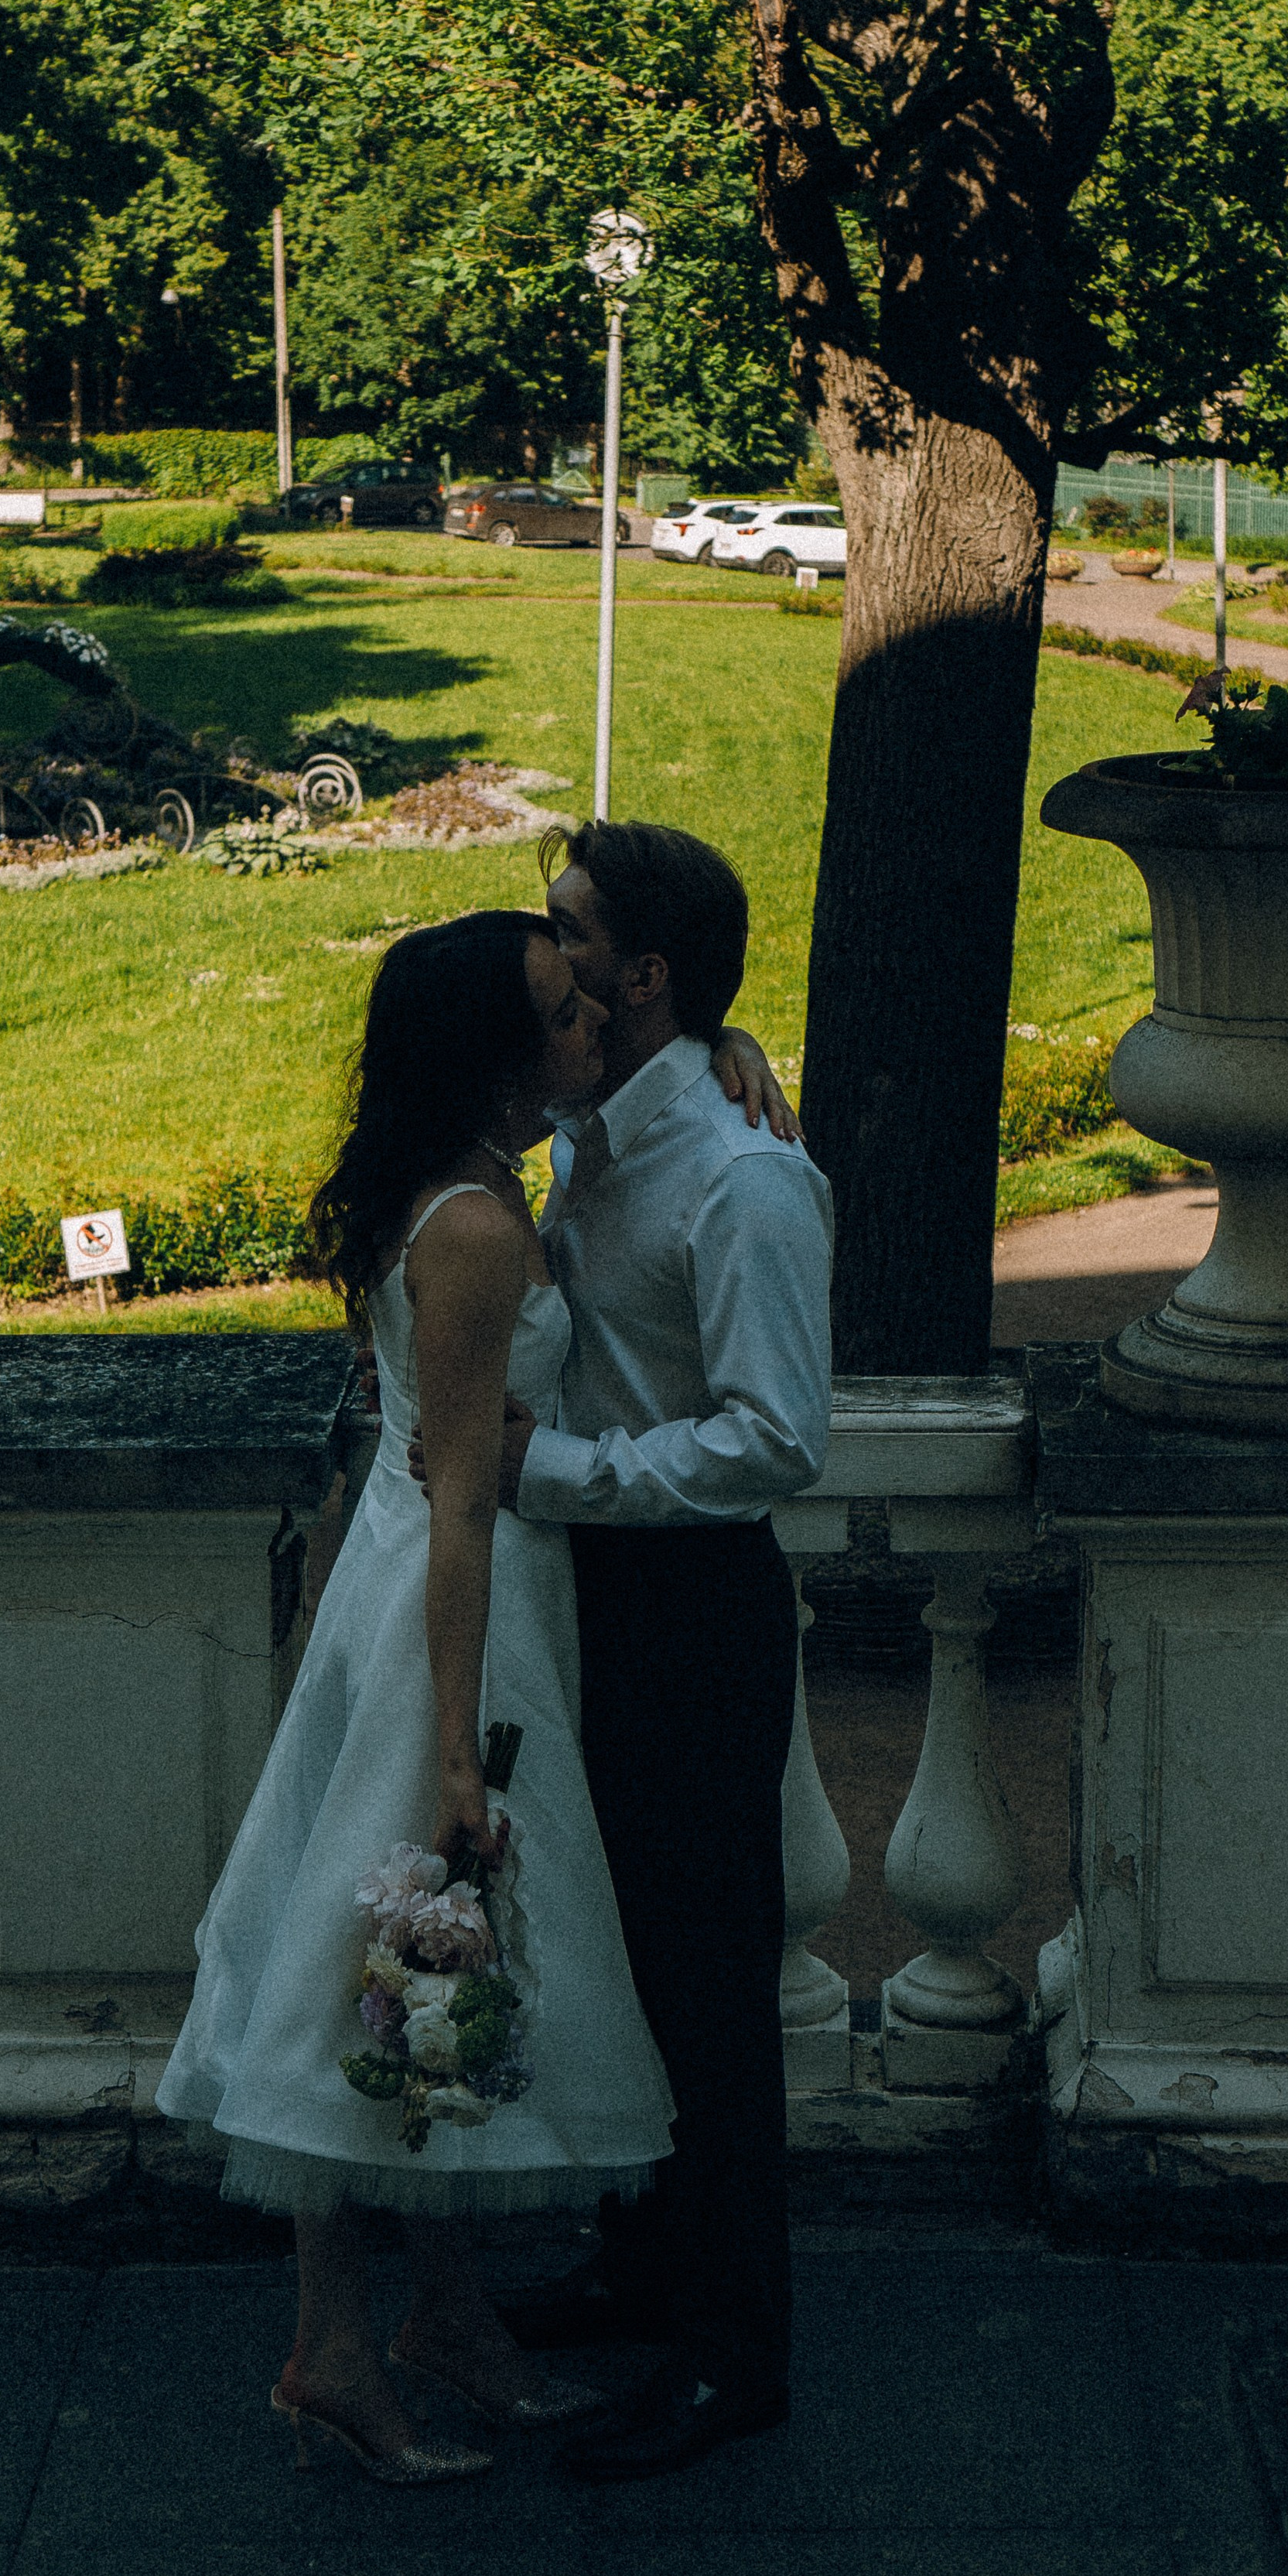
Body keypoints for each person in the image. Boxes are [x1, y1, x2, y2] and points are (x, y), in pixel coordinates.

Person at [158, 910, 675, 2485]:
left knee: (413, 1967)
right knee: (382, 1958)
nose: (589, 1021)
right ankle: (329, 2344)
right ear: (490, 1055)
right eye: (560, 1011)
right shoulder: (469, 1228)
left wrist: (718, 1049)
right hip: (459, 1609)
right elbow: (461, 1495)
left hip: (408, 1589)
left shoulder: (462, 1186)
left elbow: (390, 1454)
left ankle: (442, 2318)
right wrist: (454, 1743)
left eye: (588, 998)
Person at [491, 819, 835, 2482]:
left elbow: (776, 1440)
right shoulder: (593, 1136)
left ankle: (732, 2350)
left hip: (689, 1610)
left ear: (643, 978)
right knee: (606, 1953)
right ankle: (638, 2266)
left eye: (566, 928)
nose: (539, 946)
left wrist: (546, 1477)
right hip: (583, 1599)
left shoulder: (743, 1182)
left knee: (704, 1987)